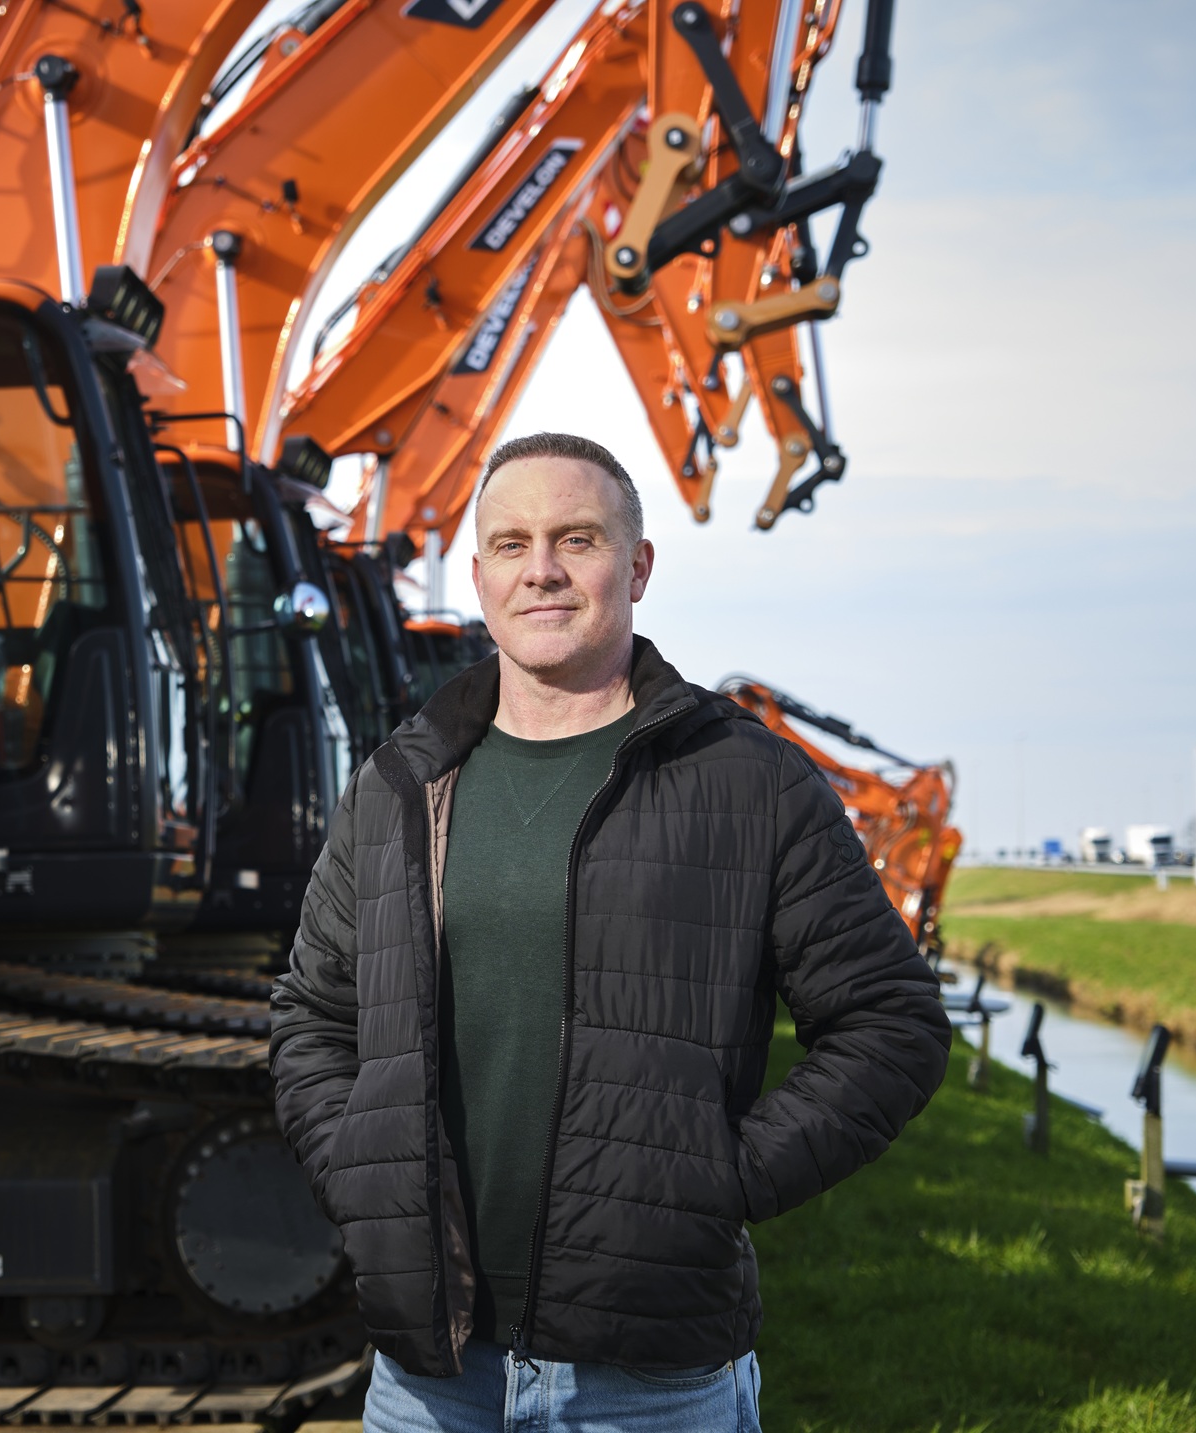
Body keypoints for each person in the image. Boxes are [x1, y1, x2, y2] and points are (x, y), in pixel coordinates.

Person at [270, 432, 950, 1431]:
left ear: (635, 566)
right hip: (429, 1377)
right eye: (510, 543)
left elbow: (890, 1022)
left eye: (574, 538)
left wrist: (717, 1180)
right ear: (478, 575)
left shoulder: (744, 781)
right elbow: (313, 1017)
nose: (539, 568)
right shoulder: (399, 783)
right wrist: (364, 1176)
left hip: (645, 1382)